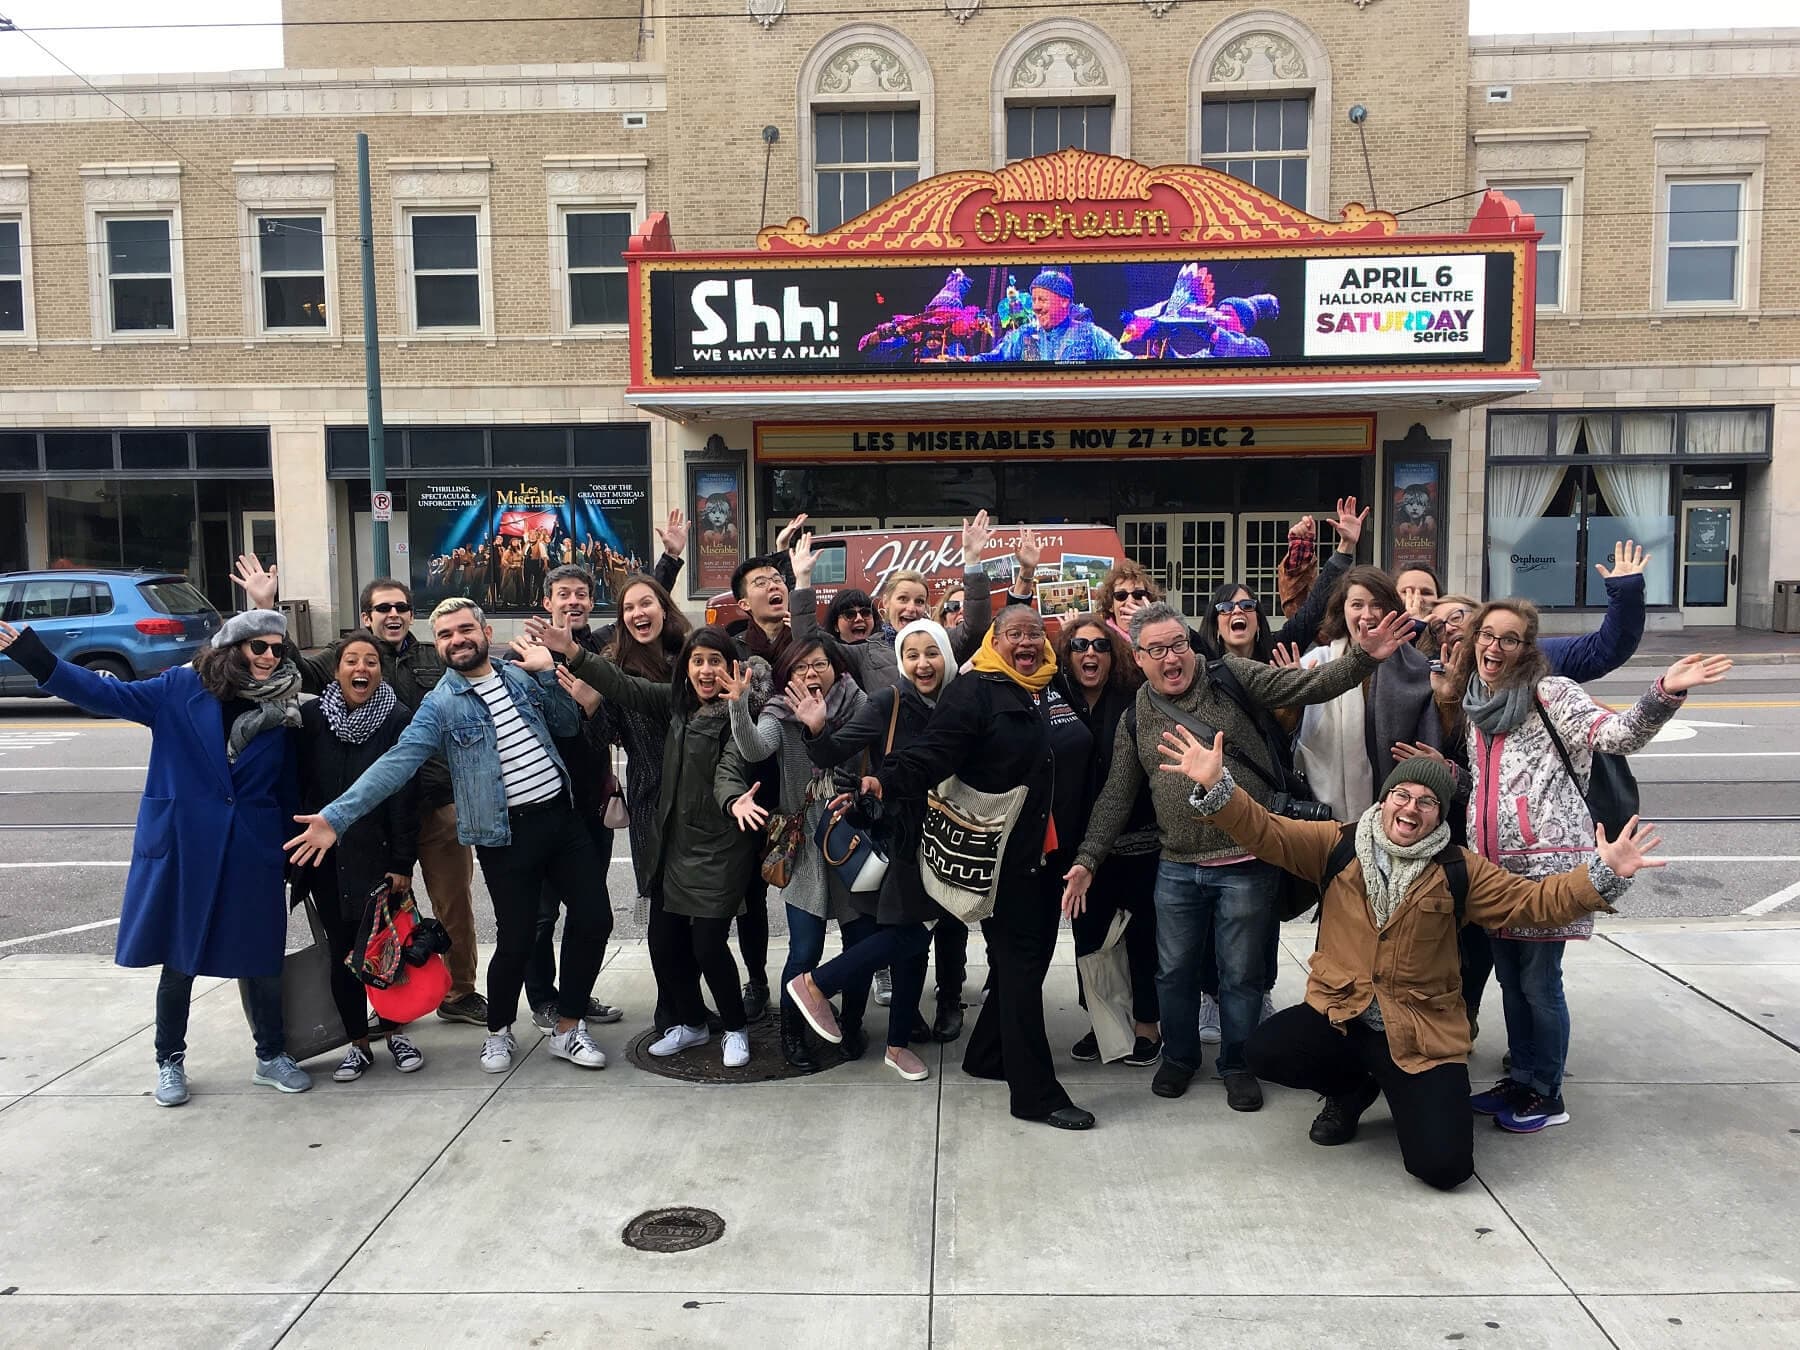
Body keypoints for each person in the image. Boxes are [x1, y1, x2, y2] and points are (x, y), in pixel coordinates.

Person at [1158, 727, 1667, 1190]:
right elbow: (1265, 831)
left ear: (1440, 815)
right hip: (1343, 1015)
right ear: (1384, 800)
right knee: (1266, 1050)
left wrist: (1602, 874)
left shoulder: (1461, 869)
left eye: (1427, 801)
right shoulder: (1339, 845)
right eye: (1401, 794)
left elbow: (1534, 902)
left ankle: (1396, 1085)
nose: (1411, 807)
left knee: (1444, 1169)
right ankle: (1350, 1090)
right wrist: (1219, 787)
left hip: (1418, 1032)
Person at [1064, 601, 1417, 1112]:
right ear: (1137, 658)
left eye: (1178, 644)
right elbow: (1117, 794)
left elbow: (1306, 686)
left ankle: (1237, 1063)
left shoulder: (1230, 676)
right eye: (1156, 650)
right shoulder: (1136, 715)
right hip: (1177, 865)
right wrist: (1088, 858)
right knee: (1173, 974)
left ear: (1191, 644)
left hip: (1247, 861)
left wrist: (1363, 658)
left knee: (1242, 976)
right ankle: (1179, 1057)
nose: (1171, 658)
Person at [1431, 600, 1730, 1133]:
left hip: (1549, 869)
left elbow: (1618, 735)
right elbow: (1490, 786)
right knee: (1511, 983)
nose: (1494, 646)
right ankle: (1522, 1077)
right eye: (1487, 635)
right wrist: (1450, 776)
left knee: (1540, 984)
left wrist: (1665, 691)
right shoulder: (1479, 703)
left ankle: (1546, 1093)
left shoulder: (1551, 693)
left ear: (1527, 649)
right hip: (1494, 874)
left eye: (1509, 639)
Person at [285, 598, 611, 1076]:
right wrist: (336, 817)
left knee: (596, 920)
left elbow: (564, 723)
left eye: (464, 630)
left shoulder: (519, 675)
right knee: (517, 938)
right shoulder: (440, 704)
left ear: (485, 633)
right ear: (437, 645)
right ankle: (498, 1030)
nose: (456, 640)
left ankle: (567, 1027)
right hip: (504, 835)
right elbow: (396, 764)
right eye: (444, 635)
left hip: (563, 821)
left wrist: (547, 673)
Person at [0, 610, 310, 1106]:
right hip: (185, 843)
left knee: (262, 957)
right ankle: (169, 1059)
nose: (271, 657)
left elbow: (287, 785)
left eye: (278, 649)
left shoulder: (284, 706)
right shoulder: (178, 690)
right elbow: (105, 694)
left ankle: (271, 1054)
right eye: (260, 647)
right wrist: (33, 656)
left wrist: (291, 851)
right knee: (180, 959)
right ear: (232, 649)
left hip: (253, 846)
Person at [233, 559, 487, 1030]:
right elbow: (295, 670)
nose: (394, 614)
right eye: (383, 608)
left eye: (402, 607)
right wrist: (267, 607)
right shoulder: (347, 654)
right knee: (378, 917)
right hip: (371, 815)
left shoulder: (435, 655)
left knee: (453, 904)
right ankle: (390, 999)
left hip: (437, 805)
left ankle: (460, 992)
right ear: (366, 616)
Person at [870, 606, 1097, 1129]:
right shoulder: (975, 691)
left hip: (1052, 855)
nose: (1026, 643)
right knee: (1019, 968)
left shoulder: (1050, 685)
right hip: (1006, 858)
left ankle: (988, 1053)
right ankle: (1035, 1094)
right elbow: (933, 751)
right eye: (1014, 633)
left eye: (1034, 634)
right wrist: (885, 779)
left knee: (1031, 961)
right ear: (995, 639)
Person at [558, 626, 763, 1069]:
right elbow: (623, 686)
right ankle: (691, 1023)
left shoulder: (739, 715)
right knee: (664, 945)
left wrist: (733, 800)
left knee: (708, 946)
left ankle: (735, 1028)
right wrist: (573, 651)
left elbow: (731, 768)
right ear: (685, 668)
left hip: (720, 849)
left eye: (715, 661)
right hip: (673, 845)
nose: (705, 670)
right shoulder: (677, 703)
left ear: (731, 667)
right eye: (697, 661)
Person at [518, 531, 686, 1035]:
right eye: (562, 595)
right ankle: (544, 1000)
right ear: (546, 602)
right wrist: (544, 672)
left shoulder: (598, 650)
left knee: (589, 912)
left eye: (581, 595)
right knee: (541, 914)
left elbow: (645, 610)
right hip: (541, 804)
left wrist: (670, 559)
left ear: (592, 604)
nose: (572, 602)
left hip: (592, 802)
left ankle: (576, 994)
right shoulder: (522, 654)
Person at [793, 617, 958, 1073]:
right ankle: (818, 984)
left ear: (946, 655)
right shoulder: (889, 700)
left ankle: (896, 1044)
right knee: (911, 933)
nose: (923, 664)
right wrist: (817, 729)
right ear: (900, 661)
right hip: (901, 836)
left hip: (948, 836)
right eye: (911, 655)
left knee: (915, 941)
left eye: (932, 653)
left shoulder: (960, 701)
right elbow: (833, 751)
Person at [724, 637, 869, 1070]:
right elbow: (754, 748)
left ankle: (852, 1024)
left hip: (851, 836)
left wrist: (821, 727)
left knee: (859, 943)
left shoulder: (858, 704)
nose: (810, 673)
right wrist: (739, 705)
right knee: (805, 949)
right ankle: (792, 1030)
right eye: (801, 667)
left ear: (836, 667)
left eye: (819, 664)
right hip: (804, 842)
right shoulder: (780, 711)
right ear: (788, 674)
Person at [293, 631, 425, 1081]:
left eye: (370, 661)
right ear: (337, 670)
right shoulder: (311, 718)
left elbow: (406, 796)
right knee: (342, 953)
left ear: (380, 672)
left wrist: (402, 862)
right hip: (325, 858)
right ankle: (358, 1043)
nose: (361, 668)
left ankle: (396, 1032)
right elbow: (297, 785)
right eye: (351, 660)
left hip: (377, 855)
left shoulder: (398, 719)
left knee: (384, 948)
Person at [1054, 616, 1161, 1067]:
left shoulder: (1134, 699)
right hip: (1079, 847)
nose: (1090, 653)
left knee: (1142, 936)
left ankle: (1147, 1025)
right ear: (1067, 654)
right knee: (1090, 938)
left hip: (1138, 842)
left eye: (1100, 645)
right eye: (1080, 645)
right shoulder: (1056, 700)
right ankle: (1104, 1024)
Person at [1291, 566, 1444, 825]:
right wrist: (1290, 696)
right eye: (1357, 605)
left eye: (1376, 605)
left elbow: (1432, 736)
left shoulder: (1416, 666)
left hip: (1397, 814)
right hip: (1323, 820)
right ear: (1342, 610)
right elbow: (1283, 733)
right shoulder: (1316, 662)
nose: (1367, 614)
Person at [792, 513, 999, 694]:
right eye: (903, 599)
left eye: (919, 601)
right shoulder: (866, 651)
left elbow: (975, 627)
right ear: (886, 603)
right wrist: (802, 581)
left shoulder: (943, 639)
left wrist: (972, 561)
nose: (911, 608)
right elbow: (810, 642)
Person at [964, 270, 1133, 363]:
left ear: (1064, 301)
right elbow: (993, 359)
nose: (1036, 307)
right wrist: (963, 363)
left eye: (1042, 300)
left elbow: (1125, 362)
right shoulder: (1024, 335)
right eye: (1034, 300)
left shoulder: (1091, 334)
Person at [1097, 561, 1161, 646]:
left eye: (1138, 594)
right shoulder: (1101, 638)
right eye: (1121, 595)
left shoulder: (1162, 631)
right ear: (1110, 605)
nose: (1130, 601)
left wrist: (1149, 627)